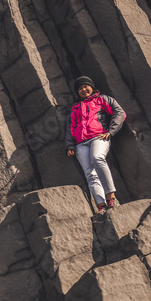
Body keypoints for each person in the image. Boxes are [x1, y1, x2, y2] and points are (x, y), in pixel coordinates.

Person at [65, 76, 126, 212]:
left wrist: (111, 131)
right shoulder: (75, 107)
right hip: (80, 144)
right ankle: (101, 205)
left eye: (86, 86)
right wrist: (69, 145)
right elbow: (70, 127)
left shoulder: (102, 99)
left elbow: (119, 113)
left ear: (92, 87)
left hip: (98, 137)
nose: (83, 89)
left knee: (97, 158)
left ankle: (111, 198)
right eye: (80, 88)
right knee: (90, 174)